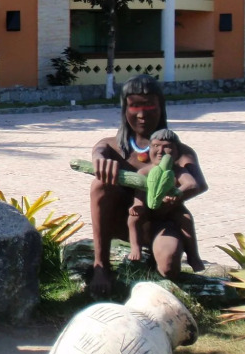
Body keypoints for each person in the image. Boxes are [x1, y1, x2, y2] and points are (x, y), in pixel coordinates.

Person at [88, 75, 207, 297]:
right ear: (125, 109)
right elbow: (99, 150)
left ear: (161, 107)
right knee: (100, 185)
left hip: (160, 223)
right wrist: (99, 160)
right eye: (135, 106)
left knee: (169, 267)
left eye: (150, 106)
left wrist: (175, 195)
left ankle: (177, 259)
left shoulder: (177, 151)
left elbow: (198, 183)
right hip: (123, 222)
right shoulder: (113, 146)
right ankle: (101, 266)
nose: (142, 114)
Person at [126, 128, 205, 274]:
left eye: (167, 147)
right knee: (133, 219)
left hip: (171, 211)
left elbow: (192, 184)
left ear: (176, 152)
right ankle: (135, 248)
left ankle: (193, 256)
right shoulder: (144, 172)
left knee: (186, 218)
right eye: (155, 146)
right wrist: (138, 205)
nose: (160, 151)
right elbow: (139, 193)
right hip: (148, 211)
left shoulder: (177, 171)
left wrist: (177, 193)